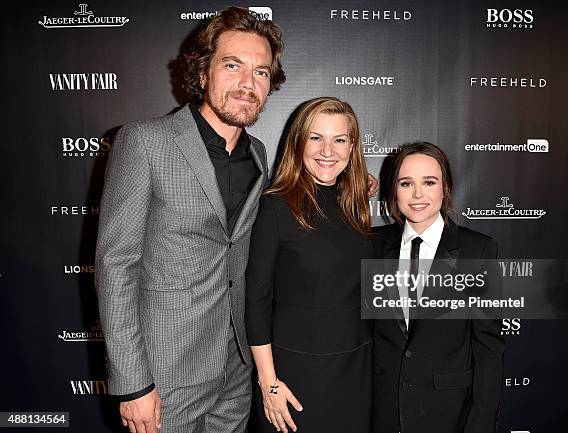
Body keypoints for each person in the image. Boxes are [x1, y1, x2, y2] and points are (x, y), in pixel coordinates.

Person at [95, 7, 286, 433]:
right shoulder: (145, 142)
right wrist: (132, 384)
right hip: (165, 374)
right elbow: (115, 266)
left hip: (236, 370)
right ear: (202, 73)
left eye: (260, 72)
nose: (247, 83)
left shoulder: (257, 153)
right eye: (232, 65)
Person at [245, 97, 374, 433]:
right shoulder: (275, 208)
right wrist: (269, 383)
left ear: (352, 147)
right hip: (295, 376)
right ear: (298, 142)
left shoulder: (356, 205)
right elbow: (255, 300)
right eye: (316, 138)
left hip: (356, 371)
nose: (327, 150)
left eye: (339, 140)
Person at [371, 142, 505, 433]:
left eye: (429, 182)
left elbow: (488, 351)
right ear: (394, 190)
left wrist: (480, 425)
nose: (418, 194)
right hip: (383, 415)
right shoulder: (371, 245)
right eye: (407, 183)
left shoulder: (478, 251)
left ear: (445, 188)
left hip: (449, 416)